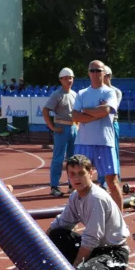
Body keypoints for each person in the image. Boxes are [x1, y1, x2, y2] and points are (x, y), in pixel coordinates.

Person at [0, 155, 130, 270]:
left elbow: (91, 239)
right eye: (72, 174)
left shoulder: (97, 198)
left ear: (91, 173)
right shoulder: (75, 196)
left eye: (81, 173)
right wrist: (39, 252)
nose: (77, 178)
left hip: (113, 253)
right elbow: (61, 223)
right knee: (56, 235)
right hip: (95, 250)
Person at [72, 60, 123, 211]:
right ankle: (79, 217)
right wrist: (96, 113)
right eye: (92, 70)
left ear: (104, 73)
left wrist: (86, 111)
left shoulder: (110, 92)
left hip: (104, 142)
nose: (95, 73)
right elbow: (75, 116)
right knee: (79, 181)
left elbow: (106, 111)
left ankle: (119, 220)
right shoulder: (82, 93)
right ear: (88, 73)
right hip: (83, 142)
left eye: (98, 70)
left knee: (112, 182)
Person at [43, 68, 79, 198]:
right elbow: (45, 110)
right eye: (66, 78)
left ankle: (72, 184)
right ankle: (54, 186)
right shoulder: (57, 95)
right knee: (58, 158)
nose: (69, 80)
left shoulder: (75, 94)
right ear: (61, 80)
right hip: (61, 128)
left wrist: (78, 126)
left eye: (71, 78)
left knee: (73, 159)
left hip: (74, 128)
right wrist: (52, 127)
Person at [103, 66, 123, 168]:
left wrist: (103, 106)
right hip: (101, 123)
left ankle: (116, 178)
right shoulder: (98, 91)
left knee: (113, 151)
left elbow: (112, 108)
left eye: (104, 75)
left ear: (109, 76)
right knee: (102, 153)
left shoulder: (116, 92)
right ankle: (102, 180)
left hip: (112, 122)